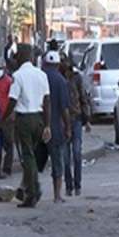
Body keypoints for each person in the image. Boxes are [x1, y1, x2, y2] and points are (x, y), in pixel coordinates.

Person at [0, 43, 51, 208]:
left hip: (24, 120)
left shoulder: (18, 76)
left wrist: (2, 120)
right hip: (39, 118)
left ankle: (33, 191)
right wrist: (47, 125)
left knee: (26, 157)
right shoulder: (41, 75)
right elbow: (47, 101)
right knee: (32, 157)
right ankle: (31, 188)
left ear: (21, 56)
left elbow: (12, 100)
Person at [60, 56, 92, 197]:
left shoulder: (77, 79)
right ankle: (69, 185)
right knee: (66, 157)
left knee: (77, 153)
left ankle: (78, 184)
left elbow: (83, 98)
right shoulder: (59, 80)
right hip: (62, 121)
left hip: (77, 119)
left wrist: (87, 119)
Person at [43, 51, 71, 204]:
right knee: (57, 161)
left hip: (38, 125)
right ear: (58, 65)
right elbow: (64, 108)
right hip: (54, 127)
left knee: (33, 161)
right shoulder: (60, 81)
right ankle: (57, 195)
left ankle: (29, 190)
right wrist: (68, 127)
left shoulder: (39, 76)